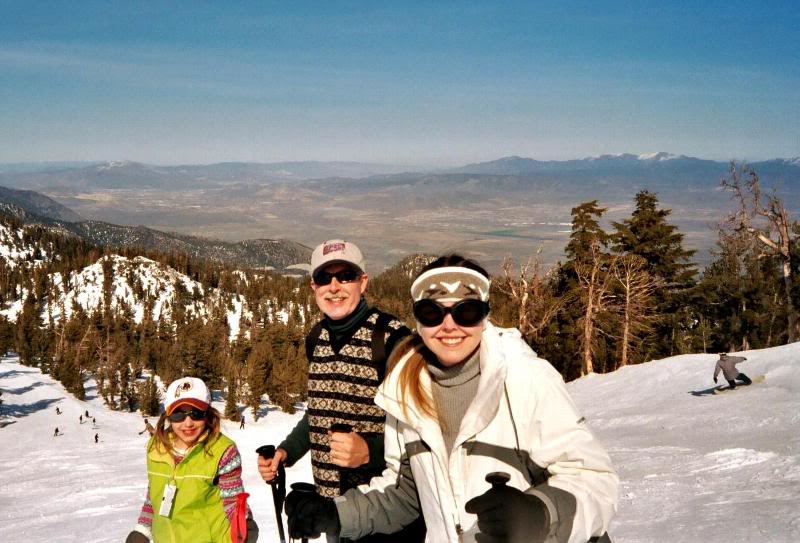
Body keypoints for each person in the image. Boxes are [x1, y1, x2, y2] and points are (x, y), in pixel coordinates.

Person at [284, 255, 619, 543]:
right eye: (432, 312)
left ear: (485, 313)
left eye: (466, 311)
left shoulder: (525, 378)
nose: (449, 325)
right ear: (417, 316)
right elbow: (405, 494)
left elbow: (595, 481)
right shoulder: (407, 391)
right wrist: (335, 514)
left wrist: (540, 514)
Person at [257, 239, 423, 543]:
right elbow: (319, 413)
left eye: (345, 276)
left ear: (363, 282)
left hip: (385, 513)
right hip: (334, 512)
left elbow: (422, 431)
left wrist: (370, 452)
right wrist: (286, 452)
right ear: (313, 287)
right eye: (324, 278)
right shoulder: (317, 338)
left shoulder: (391, 339)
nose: (334, 286)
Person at [125, 377, 258, 543]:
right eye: (178, 414)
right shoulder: (155, 448)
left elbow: (232, 499)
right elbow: (155, 496)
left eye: (196, 414)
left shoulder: (222, 451)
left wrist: (244, 521)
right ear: (168, 415)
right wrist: (143, 529)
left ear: (208, 414)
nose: (188, 423)